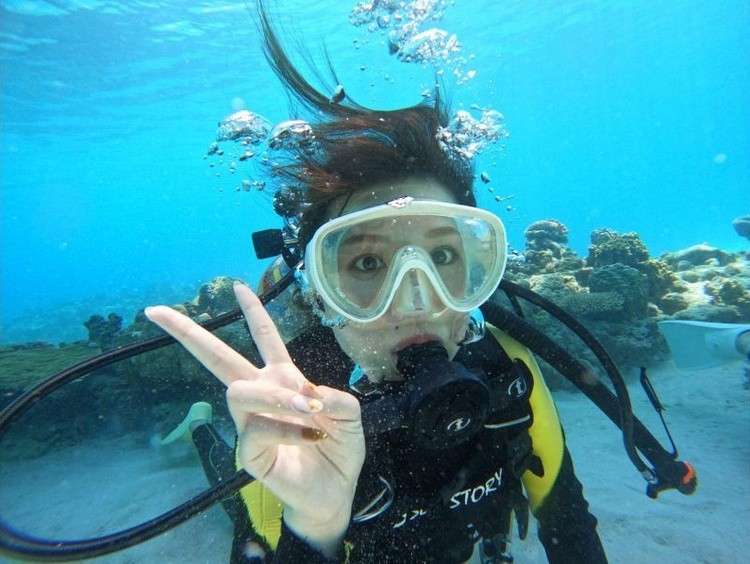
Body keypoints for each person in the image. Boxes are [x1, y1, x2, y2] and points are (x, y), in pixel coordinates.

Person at [145, 3, 607, 562]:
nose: (416, 303)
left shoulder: (507, 373)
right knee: (231, 485)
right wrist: (313, 527)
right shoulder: (293, 404)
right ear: (317, 290)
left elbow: (571, 528)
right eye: (366, 264)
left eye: (442, 255)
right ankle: (201, 425)